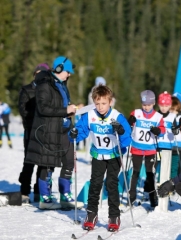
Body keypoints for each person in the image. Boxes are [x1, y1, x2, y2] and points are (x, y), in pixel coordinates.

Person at [70, 85, 131, 232]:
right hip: (98, 155)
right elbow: (81, 130)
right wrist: (74, 134)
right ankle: (91, 214)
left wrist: (121, 131)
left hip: (114, 155)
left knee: (111, 183)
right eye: (97, 103)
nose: (100, 107)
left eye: (103, 103)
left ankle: (114, 216)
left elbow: (127, 139)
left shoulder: (117, 117)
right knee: (95, 184)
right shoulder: (90, 116)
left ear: (110, 102)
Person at [25, 56, 84, 210]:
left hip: (64, 129)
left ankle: (65, 195)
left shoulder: (62, 86)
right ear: (58, 69)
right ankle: (45, 197)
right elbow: (43, 108)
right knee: (47, 163)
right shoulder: (44, 85)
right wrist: (65, 110)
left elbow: (60, 107)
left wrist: (71, 110)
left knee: (69, 161)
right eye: (68, 71)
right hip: (49, 131)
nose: (69, 74)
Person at [18, 62, 50, 204]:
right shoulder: (26, 89)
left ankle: (39, 191)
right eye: (38, 73)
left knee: (43, 162)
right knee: (29, 161)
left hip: (45, 131)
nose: (40, 76)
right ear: (34, 74)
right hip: (31, 130)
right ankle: (25, 190)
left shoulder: (49, 90)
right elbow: (23, 110)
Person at [127, 90, 165, 208]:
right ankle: (131, 197)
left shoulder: (158, 117)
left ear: (153, 104)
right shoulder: (136, 113)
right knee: (135, 173)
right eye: (144, 105)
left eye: (149, 105)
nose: (146, 107)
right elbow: (128, 125)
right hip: (137, 147)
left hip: (150, 149)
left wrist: (158, 131)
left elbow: (163, 131)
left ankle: (153, 198)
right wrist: (130, 121)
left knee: (150, 174)